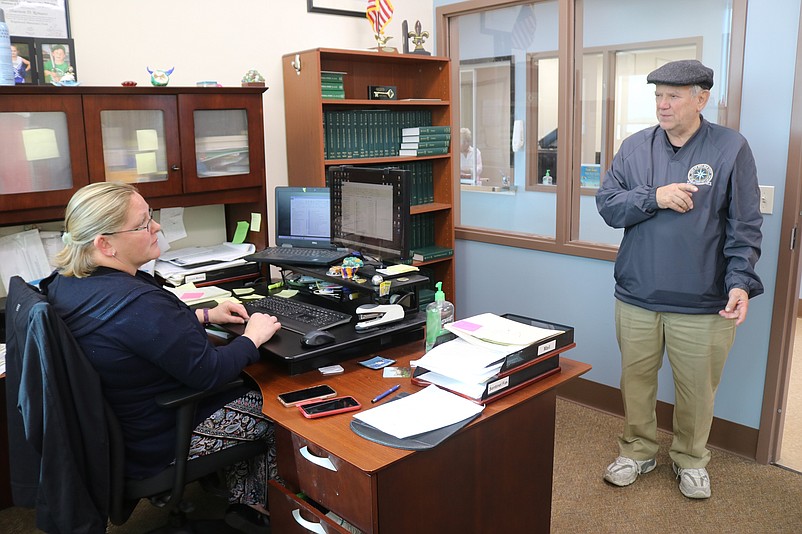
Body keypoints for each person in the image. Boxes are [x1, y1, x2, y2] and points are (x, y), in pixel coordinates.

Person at [42, 181, 281, 532]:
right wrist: (253, 337)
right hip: (161, 439)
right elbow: (209, 373)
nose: (156, 227)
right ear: (104, 244)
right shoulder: (138, 305)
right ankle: (259, 507)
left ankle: (242, 496)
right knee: (279, 406)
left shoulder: (66, 283)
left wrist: (204, 315)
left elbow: (133, 336)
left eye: (151, 217)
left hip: (124, 430)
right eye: (142, 224)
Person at [595, 59, 763, 499]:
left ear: (701, 98)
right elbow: (609, 206)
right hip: (636, 294)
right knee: (636, 381)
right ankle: (637, 450)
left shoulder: (730, 148)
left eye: (673, 96)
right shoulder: (635, 148)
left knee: (696, 390)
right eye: (657, 96)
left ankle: (690, 459)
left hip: (704, 300)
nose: (662, 105)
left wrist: (740, 282)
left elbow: (745, 226)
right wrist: (655, 197)